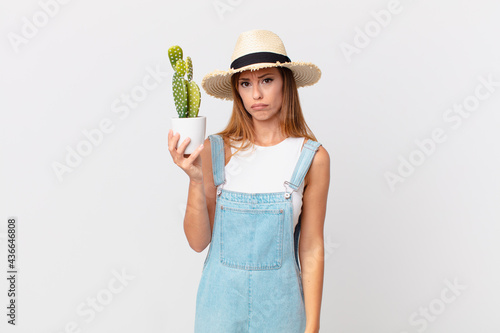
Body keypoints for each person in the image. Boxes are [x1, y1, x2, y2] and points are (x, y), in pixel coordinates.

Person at [168, 29, 330, 333]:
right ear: (237, 91)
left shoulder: (311, 157)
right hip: (218, 311)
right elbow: (198, 241)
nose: (256, 94)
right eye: (246, 83)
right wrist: (194, 179)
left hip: (282, 311)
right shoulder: (215, 150)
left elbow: (311, 247)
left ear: (286, 84)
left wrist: (312, 326)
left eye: (267, 80)